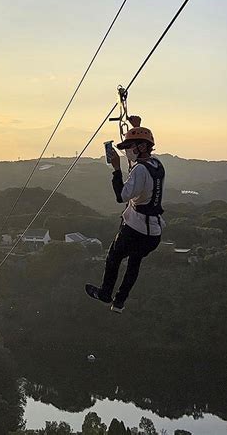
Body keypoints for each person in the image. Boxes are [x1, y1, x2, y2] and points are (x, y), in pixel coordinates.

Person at [85, 116, 165, 313]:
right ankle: (119, 301)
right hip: (153, 232)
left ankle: (105, 293)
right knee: (134, 263)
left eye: (130, 146)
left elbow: (121, 196)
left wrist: (116, 169)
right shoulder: (157, 164)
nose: (127, 150)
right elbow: (140, 166)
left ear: (142, 147)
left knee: (114, 256)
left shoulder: (139, 170)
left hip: (135, 229)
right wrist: (137, 128)